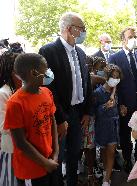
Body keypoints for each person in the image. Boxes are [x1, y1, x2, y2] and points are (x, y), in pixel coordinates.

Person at [39, 12, 92, 186]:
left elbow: (87, 82)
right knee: (57, 155)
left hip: (78, 113)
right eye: (82, 29)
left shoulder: (81, 53)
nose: (84, 32)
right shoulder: (48, 51)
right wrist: (60, 118)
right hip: (59, 113)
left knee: (74, 154)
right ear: (70, 29)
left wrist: (87, 111)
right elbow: (48, 88)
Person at [4, 53, 59, 186]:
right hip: (31, 170)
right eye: (45, 69)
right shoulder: (15, 103)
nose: (48, 72)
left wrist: (55, 153)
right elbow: (20, 142)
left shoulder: (47, 93)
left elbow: (53, 123)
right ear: (34, 73)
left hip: (51, 162)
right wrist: (45, 162)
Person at [109, 27, 137, 173]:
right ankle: (127, 159)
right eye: (130, 36)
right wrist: (120, 104)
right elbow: (113, 83)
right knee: (125, 134)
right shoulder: (114, 58)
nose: (134, 39)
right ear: (123, 39)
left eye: (135, 36)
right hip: (125, 104)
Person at [0, 51, 21, 186]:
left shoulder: (19, 90)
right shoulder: (3, 93)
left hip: (23, 151)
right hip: (11, 150)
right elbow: (4, 126)